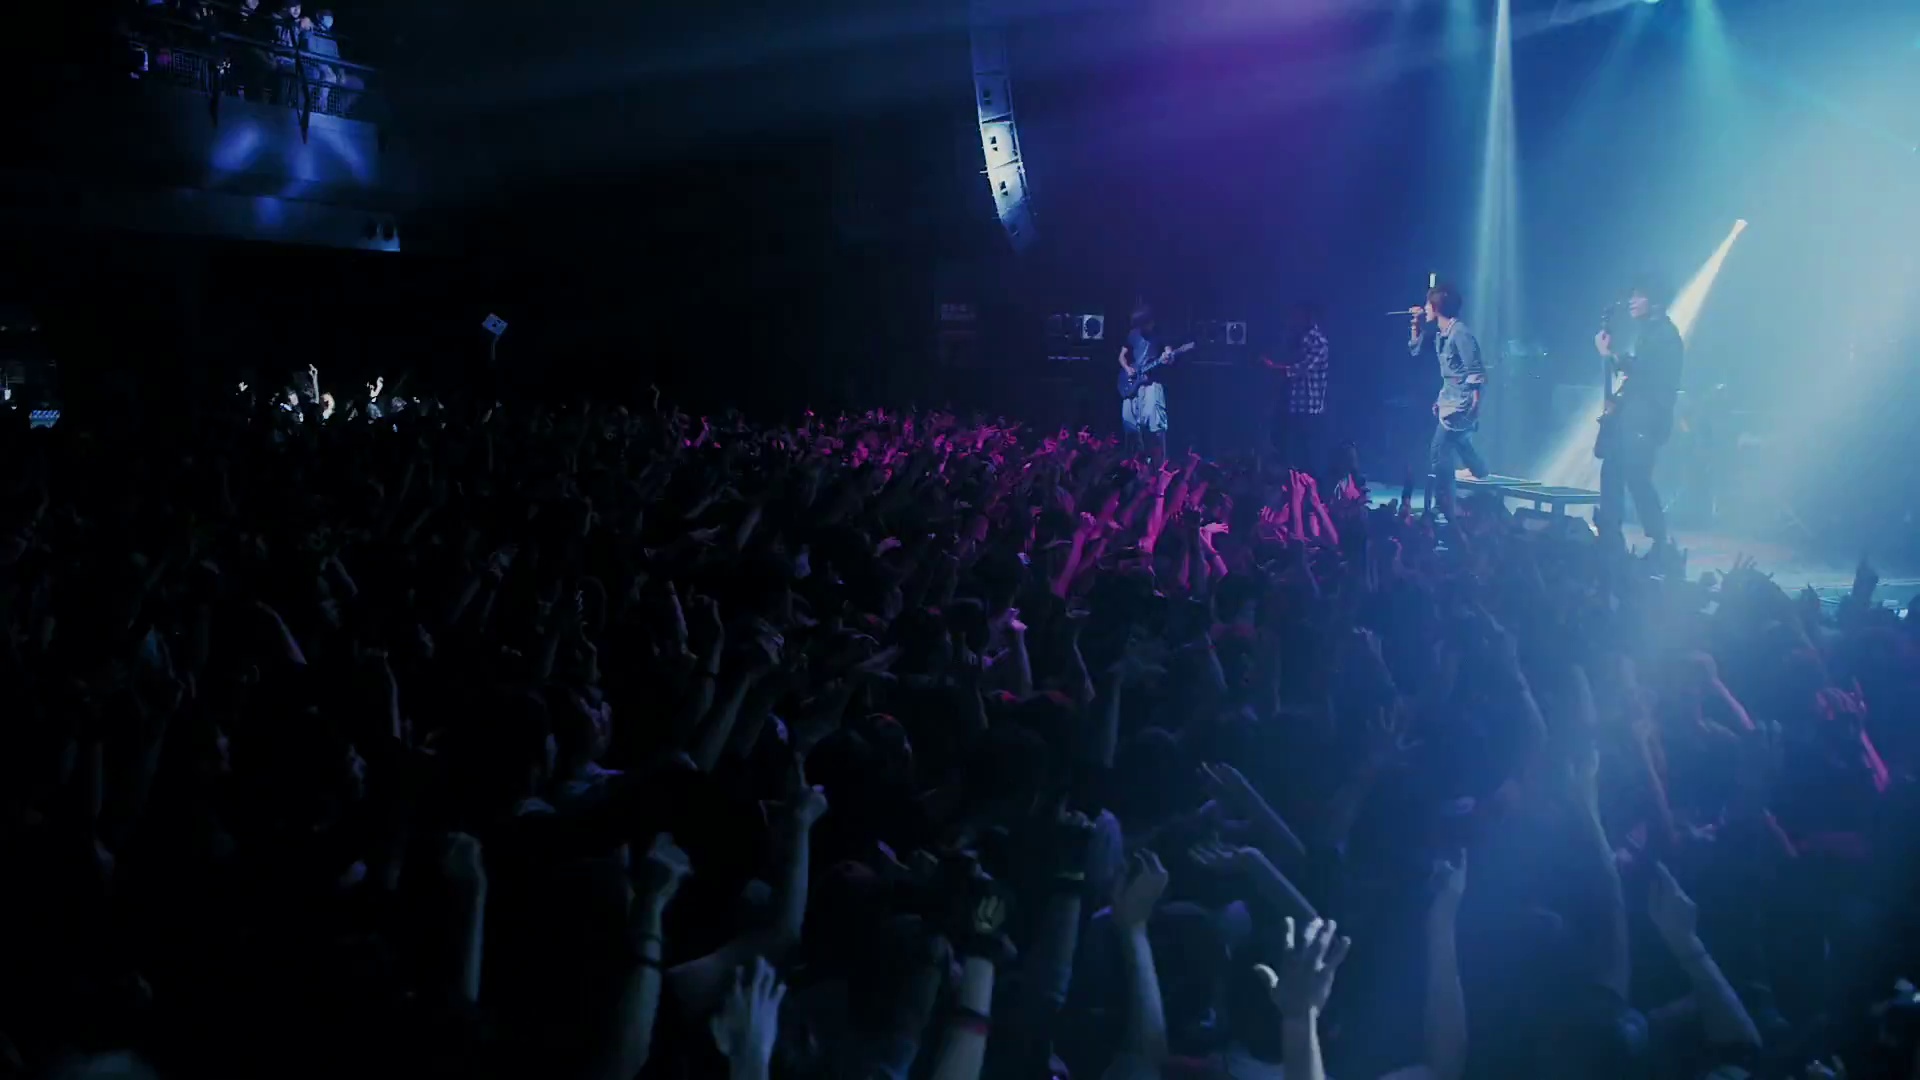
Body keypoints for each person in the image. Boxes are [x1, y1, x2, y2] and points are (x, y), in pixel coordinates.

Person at [1594, 273, 1684, 557]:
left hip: (1646, 419)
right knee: (1613, 471)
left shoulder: (1665, 336)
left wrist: (1609, 355)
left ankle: (1659, 541)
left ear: (1655, 301)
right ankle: (1611, 535)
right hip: (1633, 416)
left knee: (1636, 476)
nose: (1631, 301)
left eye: (1638, 296)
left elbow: (1644, 373)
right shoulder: (1650, 333)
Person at [1408, 283, 1488, 518]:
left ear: (1436, 306)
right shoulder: (1442, 335)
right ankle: (1479, 470)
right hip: (1449, 399)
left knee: (1439, 451)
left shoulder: (1460, 333)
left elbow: (1475, 369)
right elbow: (1415, 349)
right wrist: (1415, 324)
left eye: (1427, 304)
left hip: (1461, 403)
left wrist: (1475, 404)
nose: (1424, 308)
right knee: (1459, 442)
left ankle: (1446, 506)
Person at [1262, 301, 1330, 478]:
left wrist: (1273, 368)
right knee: (1283, 448)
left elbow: (1301, 368)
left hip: (1308, 408)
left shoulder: (1317, 341)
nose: (1292, 320)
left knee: (1306, 456)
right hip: (1290, 406)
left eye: (1296, 315)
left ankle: (1311, 489)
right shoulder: (1294, 338)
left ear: (1307, 317)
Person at [1118, 304, 1174, 464]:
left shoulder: (1160, 335)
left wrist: (1168, 356)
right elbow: (1121, 356)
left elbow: (1169, 354)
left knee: (1155, 424)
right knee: (1130, 425)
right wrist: (1127, 368)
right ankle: (1135, 464)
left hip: (1151, 384)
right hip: (1132, 385)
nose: (1141, 328)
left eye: (1143, 324)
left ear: (1150, 322)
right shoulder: (1132, 334)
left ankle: (1159, 464)